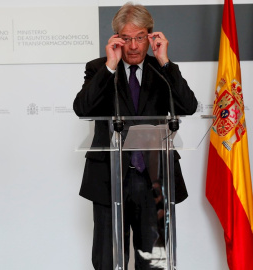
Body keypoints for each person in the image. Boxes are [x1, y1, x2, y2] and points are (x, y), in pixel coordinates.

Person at [73, 3, 197, 270]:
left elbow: (188, 106)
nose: (132, 46)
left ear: (150, 37)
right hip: (110, 178)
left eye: (139, 37)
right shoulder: (99, 69)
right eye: (126, 38)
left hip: (154, 178)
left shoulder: (160, 70)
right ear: (117, 38)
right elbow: (82, 109)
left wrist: (165, 61)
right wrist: (109, 65)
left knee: (153, 261)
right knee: (107, 259)